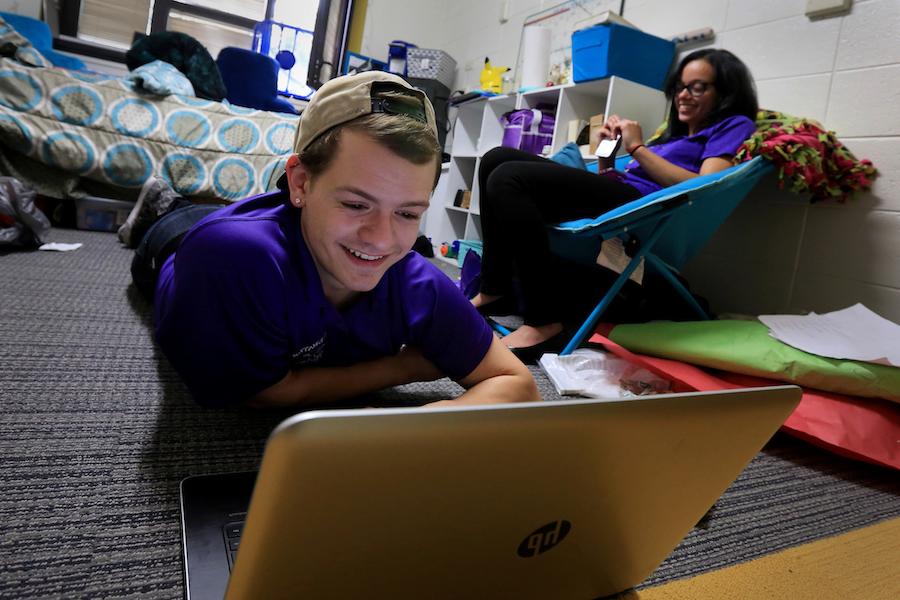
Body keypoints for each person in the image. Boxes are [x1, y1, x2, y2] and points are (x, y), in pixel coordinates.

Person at [136, 71, 539, 409]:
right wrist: (403, 368)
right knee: (176, 219)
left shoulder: (417, 284)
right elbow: (256, 394)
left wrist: (435, 422)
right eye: (355, 204)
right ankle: (161, 203)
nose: (382, 239)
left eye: (407, 213)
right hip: (174, 245)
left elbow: (518, 384)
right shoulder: (230, 256)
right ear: (300, 182)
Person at [471, 49, 759, 359]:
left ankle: (543, 320)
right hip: (620, 199)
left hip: (644, 211)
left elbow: (704, 186)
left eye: (697, 87)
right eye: (679, 87)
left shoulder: (733, 125)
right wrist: (608, 158)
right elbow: (617, 180)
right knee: (495, 159)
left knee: (508, 177)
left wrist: (636, 147)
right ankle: (495, 288)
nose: (683, 95)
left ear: (726, 91)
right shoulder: (673, 137)